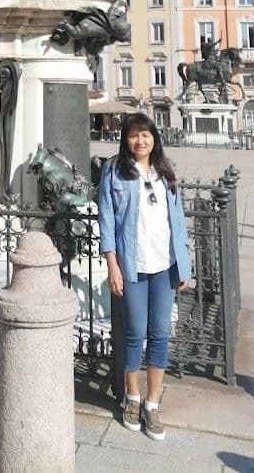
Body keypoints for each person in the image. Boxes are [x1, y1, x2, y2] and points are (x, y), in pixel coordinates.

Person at [98, 112, 190, 442]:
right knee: (135, 331)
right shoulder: (113, 171)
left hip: (165, 265)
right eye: (134, 135)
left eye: (146, 135)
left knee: (161, 333)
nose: (141, 141)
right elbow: (106, 220)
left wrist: (185, 266)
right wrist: (112, 265)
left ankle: (153, 402)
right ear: (125, 139)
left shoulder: (165, 170)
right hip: (132, 264)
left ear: (155, 138)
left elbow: (177, 220)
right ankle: (132, 398)